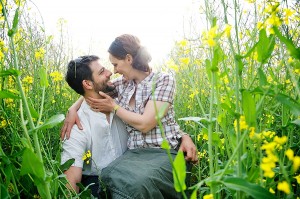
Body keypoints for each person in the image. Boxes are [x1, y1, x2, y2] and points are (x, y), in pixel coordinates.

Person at [61, 34, 198, 198]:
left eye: (115, 64)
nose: (113, 71)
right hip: (131, 159)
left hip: (161, 154)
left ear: (128, 59)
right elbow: (93, 90)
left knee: (133, 185)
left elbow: (148, 123)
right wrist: (72, 109)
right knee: (111, 183)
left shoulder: (162, 80)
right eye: (107, 68)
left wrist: (184, 136)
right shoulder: (122, 85)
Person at [61, 55, 128, 197]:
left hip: (130, 174)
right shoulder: (77, 125)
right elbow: (71, 178)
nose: (110, 73)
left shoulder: (122, 98)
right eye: (102, 71)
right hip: (97, 183)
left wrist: (182, 136)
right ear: (88, 84)